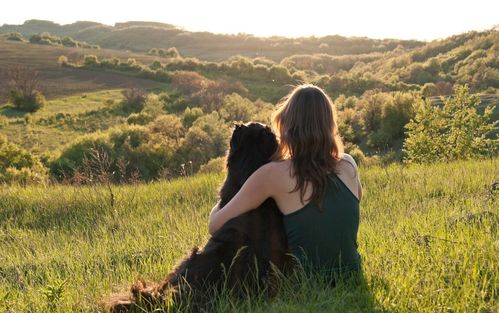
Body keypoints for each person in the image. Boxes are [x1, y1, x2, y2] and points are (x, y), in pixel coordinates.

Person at [208, 84, 363, 276]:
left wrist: (222, 201)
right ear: (330, 125)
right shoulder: (349, 164)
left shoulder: (273, 174)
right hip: (353, 274)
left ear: (287, 124)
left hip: (307, 284)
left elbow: (215, 225)